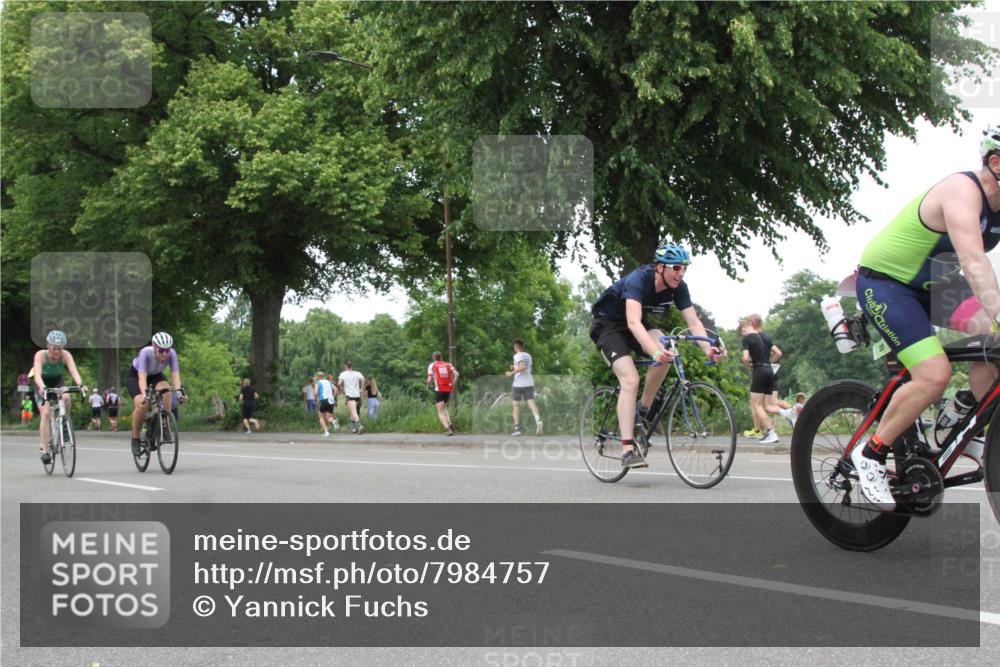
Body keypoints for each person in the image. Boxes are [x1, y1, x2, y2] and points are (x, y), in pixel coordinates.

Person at [851, 125, 1000, 509]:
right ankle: (870, 453)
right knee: (934, 374)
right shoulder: (962, 191)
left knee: (994, 340)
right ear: (996, 162)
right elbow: (972, 260)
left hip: (937, 287)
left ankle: (961, 414)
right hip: (888, 285)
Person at [589, 242, 725, 469]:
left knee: (666, 347)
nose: (680, 273)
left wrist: (707, 347)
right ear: (660, 267)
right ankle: (627, 450)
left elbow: (693, 322)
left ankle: (643, 410)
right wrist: (653, 352)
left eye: (684, 268)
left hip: (637, 325)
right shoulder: (638, 280)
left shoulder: (679, 287)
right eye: (676, 268)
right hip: (608, 326)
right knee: (630, 379)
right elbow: (632, 321)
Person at [126, 332, 186, 457]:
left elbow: (175, 375)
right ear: (154, 347)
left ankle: (164, 424)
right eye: (161, 350)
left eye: (167, 350)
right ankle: (135, 438)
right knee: (142, 405)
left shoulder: (172, 354)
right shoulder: (145, 352)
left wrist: (180, 394)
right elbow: (142, 378)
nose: (164, 354)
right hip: (137, 376)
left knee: (167, 391)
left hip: (156, 375)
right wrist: (144, 395)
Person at [32, 330, 87, 464]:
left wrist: (80, 384)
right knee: (45, 413)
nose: (57, 352)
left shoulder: (66, 355)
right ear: (48, 346)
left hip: (57, 380)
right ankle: (45, 450)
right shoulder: (41, 355)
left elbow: (74, 371)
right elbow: (37, 375)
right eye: (54, 348)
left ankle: (64, 422)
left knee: (67, 397)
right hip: (42, 382)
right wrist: (42, 387)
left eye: (60, 348)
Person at [739, 318, 791, 444]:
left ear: (744, 328)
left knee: (757, 405)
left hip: (759, 371)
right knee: (767, 406)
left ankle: (771, 433)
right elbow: (778, 353)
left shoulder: (746, 339)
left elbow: (745, 358)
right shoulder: (765, 337)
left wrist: (749, 364)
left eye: (742, 332)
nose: (742, 334)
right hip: (770, 371)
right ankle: (786, 412)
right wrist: (768, 362)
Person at [505, 338, 543, 436]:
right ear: (522, 347)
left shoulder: (517, 355)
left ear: (515, 347)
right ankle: (538, 420)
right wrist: (514, 367)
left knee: (516, 405)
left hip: (518, 384)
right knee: (531, 403)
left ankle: (517, 429)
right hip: (529, 382)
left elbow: (522, 367)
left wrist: (511, 373)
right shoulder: (528, 356)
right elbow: (525, 367)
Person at [427, 351, 458, 435]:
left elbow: (429, 379)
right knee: (444, 408)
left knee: (440, 411)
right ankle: (450, 424)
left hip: (439, 389)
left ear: (434, 357)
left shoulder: (432, 365)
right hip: (448, 389)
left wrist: (428, 385)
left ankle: (447, 429)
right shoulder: (448, 364)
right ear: (441, 357)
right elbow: (456, 374)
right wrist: (453, 385)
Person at [338, 361, 366, 434]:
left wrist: (341, 388)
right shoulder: (357, 373)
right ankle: (353, 428)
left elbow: (339, 383)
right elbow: (363, 379)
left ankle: (360, 426)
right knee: (352, 412)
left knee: (354, 412)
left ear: (345, 366)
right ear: (351, 366)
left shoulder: (343, 374)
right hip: (357, 395)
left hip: (350, 395)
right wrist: (362, 389)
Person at [315, 372, 338, 437]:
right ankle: (334, 421)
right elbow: (336, 389)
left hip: (323, 400)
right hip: (331, 401)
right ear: (323, 376)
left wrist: (316, 400)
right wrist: (333, 397)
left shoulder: (318, 383)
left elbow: (316, 392)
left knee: (321, 417)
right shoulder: (328, 382)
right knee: (328, 418)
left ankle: (326, 432)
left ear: (318, 377)